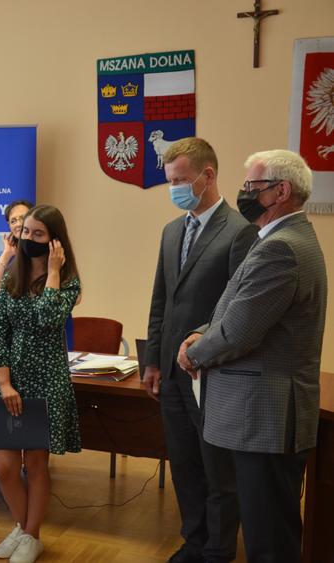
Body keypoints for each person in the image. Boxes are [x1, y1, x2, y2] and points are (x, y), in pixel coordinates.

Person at [178, 149, 327, 563]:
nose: (243, 192)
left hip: (267, 417)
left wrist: (194, 354)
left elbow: (238, 332)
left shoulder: (282, 248)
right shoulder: (280, 240)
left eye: (251, 186)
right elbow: (234, 310)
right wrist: (200, 332)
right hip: (263, 417)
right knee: (267, 530)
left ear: (281, 191)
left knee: (269, 541)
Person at [143, 138, 257, 563]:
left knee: (218, 473)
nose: (174, 188)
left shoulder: (240, 231)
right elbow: (161, 301)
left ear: (207, 176)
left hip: (214, 374)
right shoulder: (172, 231)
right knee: (185, 467)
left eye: (180, 180)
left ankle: (217, 551)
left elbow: (237, 307)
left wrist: (202, 351)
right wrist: (152, 361)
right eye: (169, 181)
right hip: (172, 375)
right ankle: (193, 543)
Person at [0, 204, 81, 563]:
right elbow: (1, 332)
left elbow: (47, 318)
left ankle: (32, 535)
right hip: (11, 382)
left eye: (37, 234)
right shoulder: (12, 275)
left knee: (36, 464)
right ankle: (22, 526)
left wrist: (54, 272)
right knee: (4, 466)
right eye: (25, 232)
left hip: (47, 382)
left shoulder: (69, 281)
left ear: (55, 241)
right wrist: (4, 382)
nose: (28, 239)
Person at [0, 199, 32, 295]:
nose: (18, 224)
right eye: (13, 221)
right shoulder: (13, 254)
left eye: (23, 218)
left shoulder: (45, 252)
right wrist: (7, 253)